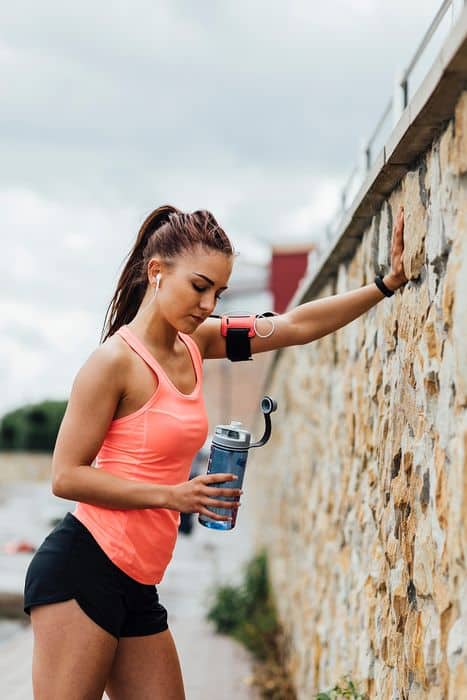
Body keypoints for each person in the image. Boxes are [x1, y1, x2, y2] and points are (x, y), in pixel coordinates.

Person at [23, 203, 407, 699]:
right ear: (157, 272)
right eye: (199, 286)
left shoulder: (198, 345)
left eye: (218, 292)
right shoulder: (112, 363)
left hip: (137, 583)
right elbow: (66, 476)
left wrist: (386, 284)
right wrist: (171, 496)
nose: (208, 304)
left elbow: (293, 326)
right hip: (81, 571)